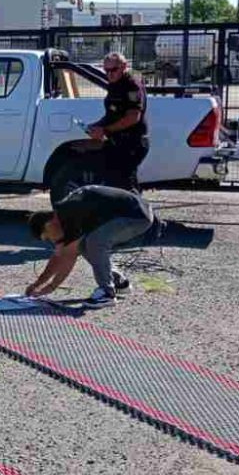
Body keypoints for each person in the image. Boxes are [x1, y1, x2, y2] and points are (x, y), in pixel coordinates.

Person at [25, 185, 155, 308]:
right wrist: (37, 284)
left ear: (48, 224)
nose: (51, 240)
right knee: (83, 245)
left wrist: (51, 287)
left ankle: (106, 293)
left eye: (47, 237)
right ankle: (118, 282)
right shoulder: (64, 214)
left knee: (95, 241)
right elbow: (59, 255)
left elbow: (68, 257)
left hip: (137, 215)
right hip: (132, 212)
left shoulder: (69, 214)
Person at [87, 52, 149, 191]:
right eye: (106, 70)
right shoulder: (114, 84)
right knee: (114, 181)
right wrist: (97, 126)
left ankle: (136, 211)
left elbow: (133, 117)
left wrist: (105, 130)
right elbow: (112, 114)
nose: (109, 74)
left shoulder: (131, 85)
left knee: (125, 185)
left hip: (132, 142)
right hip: (118, 141)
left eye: (113, 70)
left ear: (124, 66)